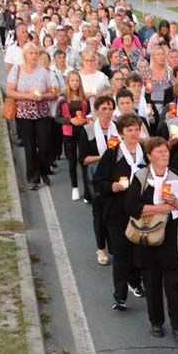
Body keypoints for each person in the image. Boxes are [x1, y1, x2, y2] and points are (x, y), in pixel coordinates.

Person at [124, 136, 178, 341]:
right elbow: (131, 207)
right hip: (148, 237)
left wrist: (177, 202)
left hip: (172, 238)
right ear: (149, 156)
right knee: (152, 283)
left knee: (174, 285)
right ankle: (156, 322)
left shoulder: (176, 175)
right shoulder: (141, 177)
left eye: (166, 151)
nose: (165, 154)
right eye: (160, 151)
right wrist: (160, 208)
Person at [92, 112, 147, 311]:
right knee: (121, 253)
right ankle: (120, 296)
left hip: (139, 210)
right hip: (117, 211)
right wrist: (111, 186)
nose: (133, 133)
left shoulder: (145, 152)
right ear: (121, 133)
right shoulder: (112, 154)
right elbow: (98, 181)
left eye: (136, 129)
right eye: (129, 130)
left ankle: (136, 282)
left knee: (138, 252)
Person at [7, 43, 57, 191]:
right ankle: (32, 178)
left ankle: (43, 170)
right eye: (31, 53)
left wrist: (43, 96)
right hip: (24, 113)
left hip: (42, 112)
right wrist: (27, 96)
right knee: (29, 146)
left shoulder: (43, 72)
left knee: (44, 144)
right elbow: (10, 91)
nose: (34, 56)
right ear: (25, 55)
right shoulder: (17, 70)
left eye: (36, 53)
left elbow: (52, 92)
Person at [79, 96, 119, 265]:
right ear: (96, 111)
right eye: (103, 109)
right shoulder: (88, 130)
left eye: (110, 109)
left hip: (113, 177)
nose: (107, 112)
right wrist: (103, 157)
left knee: (113, 214)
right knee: (99, 215)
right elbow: (83, 159)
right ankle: (101, 248)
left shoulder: (117, 129)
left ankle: (114, 246)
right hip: (95, 178)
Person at [57, 71, 91, 200]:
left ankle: (87, 190)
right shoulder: (62, 99)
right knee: (72, 161)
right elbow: (57, 117)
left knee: (84, 160)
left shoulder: (85, 98)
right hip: (69, 132)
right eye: (72, 81)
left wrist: (85, 120)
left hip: (83, 131)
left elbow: (89, 115)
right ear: (68, 82)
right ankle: (74, 187)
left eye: (77, 80)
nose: (75, 83)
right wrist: (70, 121)